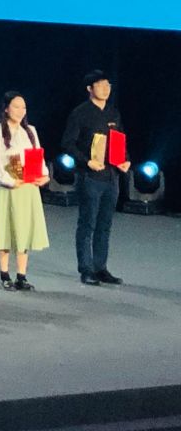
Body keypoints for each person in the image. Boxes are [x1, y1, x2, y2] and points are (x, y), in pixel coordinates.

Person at [62, 71, 125, 286]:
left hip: (111, 176)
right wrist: (86, 161)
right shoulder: (80, 113)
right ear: (90, 88)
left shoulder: (113, 113)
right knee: (87, 223)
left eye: (108, 85)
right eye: (100, 85)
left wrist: (124, 160)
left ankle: (101, 267)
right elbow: (68, 143)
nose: (106, 89)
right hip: (90, 176)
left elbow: (119, 140)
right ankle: (86, 269)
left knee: (105, 224)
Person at [0, 91, 49, 290]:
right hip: (7, 189)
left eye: (23, 107)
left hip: (28, 188)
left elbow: (37, 157)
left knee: (24, 230)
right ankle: (5, 275)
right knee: (5, 230)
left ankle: (22, 275)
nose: (20, 111)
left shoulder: (30, 131)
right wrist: (8, 181)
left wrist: (44, 175)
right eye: (16, 106)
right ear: (6, 109)